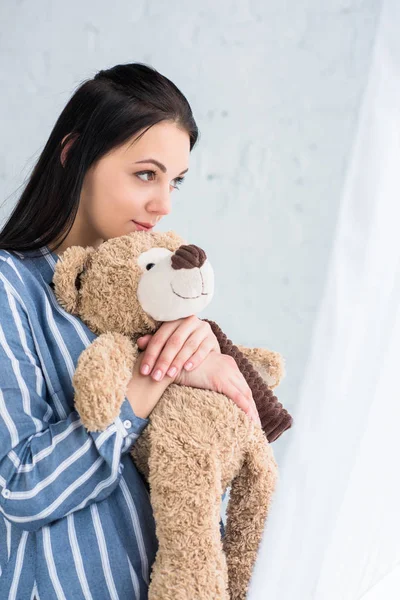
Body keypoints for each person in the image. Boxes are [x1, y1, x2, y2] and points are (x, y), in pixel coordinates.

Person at [0, 63, 262, 599]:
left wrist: (202, 353)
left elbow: (214, 450)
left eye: (175, 181)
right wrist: (156, 376)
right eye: (146, 174)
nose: (163, 203)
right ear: (74, 157)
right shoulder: (11, 287)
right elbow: (19, 487)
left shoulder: (152, 293)